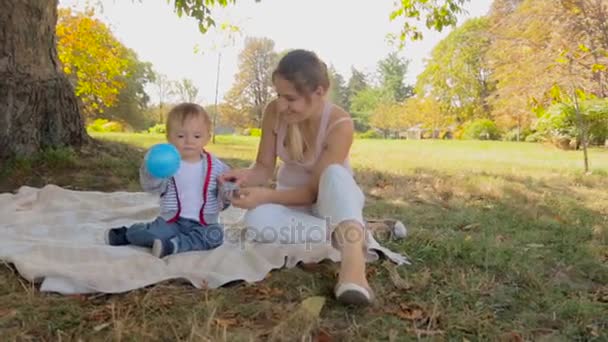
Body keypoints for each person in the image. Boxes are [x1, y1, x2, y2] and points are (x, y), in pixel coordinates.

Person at [220, 49, 388, 306]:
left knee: (334, 173)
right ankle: (353, 231)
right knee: (255, 220)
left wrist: (265, 195)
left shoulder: (340, 123)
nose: (282, 105)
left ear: (319, 92)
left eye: (290, 98)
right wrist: (242, 178)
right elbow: (264, 167)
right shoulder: (274, 112)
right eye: (278, 95)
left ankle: (353, 270)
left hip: (330, 202)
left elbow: (313, 193)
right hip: (293, 208)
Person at [105, 103, 231, 258]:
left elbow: (226, 195)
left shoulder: (218, 168)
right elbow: (152, 187)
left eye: (197, 136)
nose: (189, 141)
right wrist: (152, 170)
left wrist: (228, 192)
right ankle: (127, 234)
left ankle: (172, 246)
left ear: (207, 138)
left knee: (215, 236)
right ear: (169, 138)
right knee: (154, 232)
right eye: (180, 136)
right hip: (173, 220)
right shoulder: (166, 164)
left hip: (205, 223)